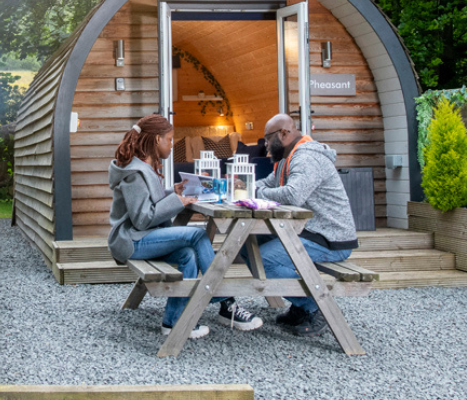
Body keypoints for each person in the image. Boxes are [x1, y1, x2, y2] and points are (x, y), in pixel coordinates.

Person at [108, 114, 262, 338]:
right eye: (169, 140)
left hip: (143, 235)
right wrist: (177, 202)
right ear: (156, 140)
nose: (172, 144)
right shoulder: (135, 173)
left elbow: (150, 202)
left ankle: (173, 322)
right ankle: (226, 302)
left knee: (188, 255)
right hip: (131, 240)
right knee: (198, 236)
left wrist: (173, 192)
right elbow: (142, 218)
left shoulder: (145, 167)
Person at [254, 113, 357, 337]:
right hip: (307, 232)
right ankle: (300, 307)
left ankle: (314, 306)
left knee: (263, 259)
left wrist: (256, 193)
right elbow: (268, 183)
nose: (265, 146)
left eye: (267, 139)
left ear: (283, 133)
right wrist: (247, 186)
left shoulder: (307, 158)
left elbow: (293, 195)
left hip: (328, 238)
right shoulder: (288, 159)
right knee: (250, 244)